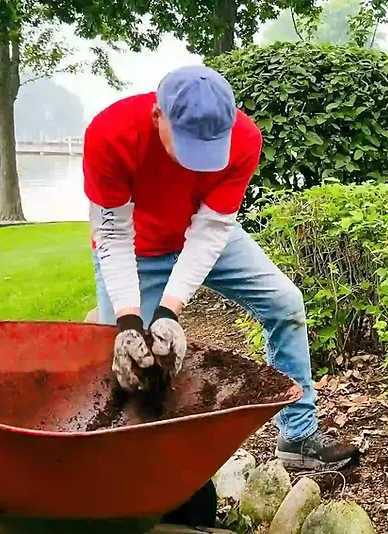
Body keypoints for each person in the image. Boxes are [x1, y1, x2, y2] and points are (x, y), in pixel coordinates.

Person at [84, 65, 357, 471]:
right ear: (158, 116)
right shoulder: (110, 134)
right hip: (136, 247)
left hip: (205, 231)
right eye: (189, 146)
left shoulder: (245, 139)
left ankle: (298, 438)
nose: (198, 164)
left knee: (285, 303)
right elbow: (113, 235)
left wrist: (168, 312)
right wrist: (128, 319)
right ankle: (125, 469)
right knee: (126, 361)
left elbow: (211, 230)